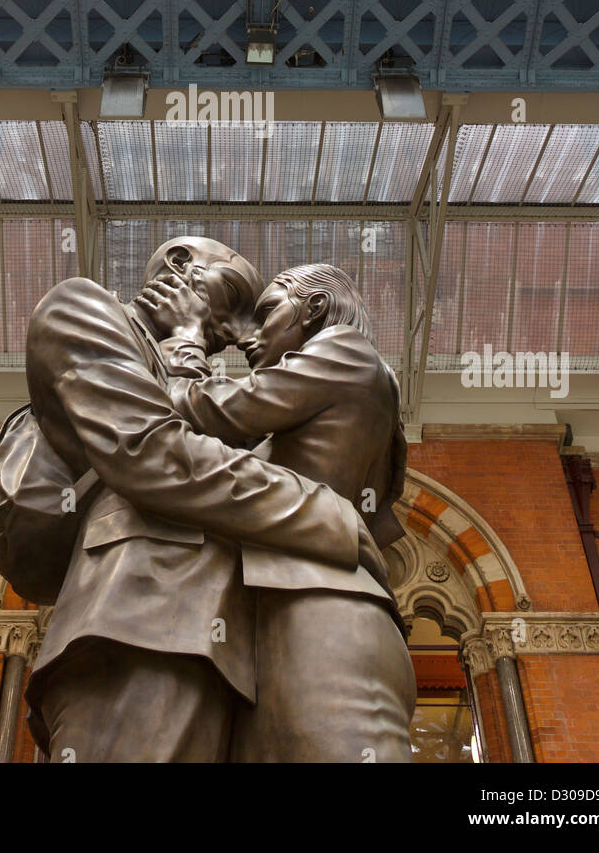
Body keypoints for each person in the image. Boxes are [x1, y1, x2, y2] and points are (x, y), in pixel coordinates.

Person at [25, 238, 379, 763]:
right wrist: (328, 514)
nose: (240, 334)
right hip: (135, 623)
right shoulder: (85, 308)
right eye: (234, 296)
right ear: (180, 266)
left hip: (222, 647)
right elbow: (152, 452)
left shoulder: (336, 362)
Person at [157, 261, 416, 763]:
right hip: (288, 613)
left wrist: (186, 337)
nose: (248, 337)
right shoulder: (322, 411)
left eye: (268, 312)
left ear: (314, 308)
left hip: (321, 606)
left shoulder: (343, 349)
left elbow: (200, 410)